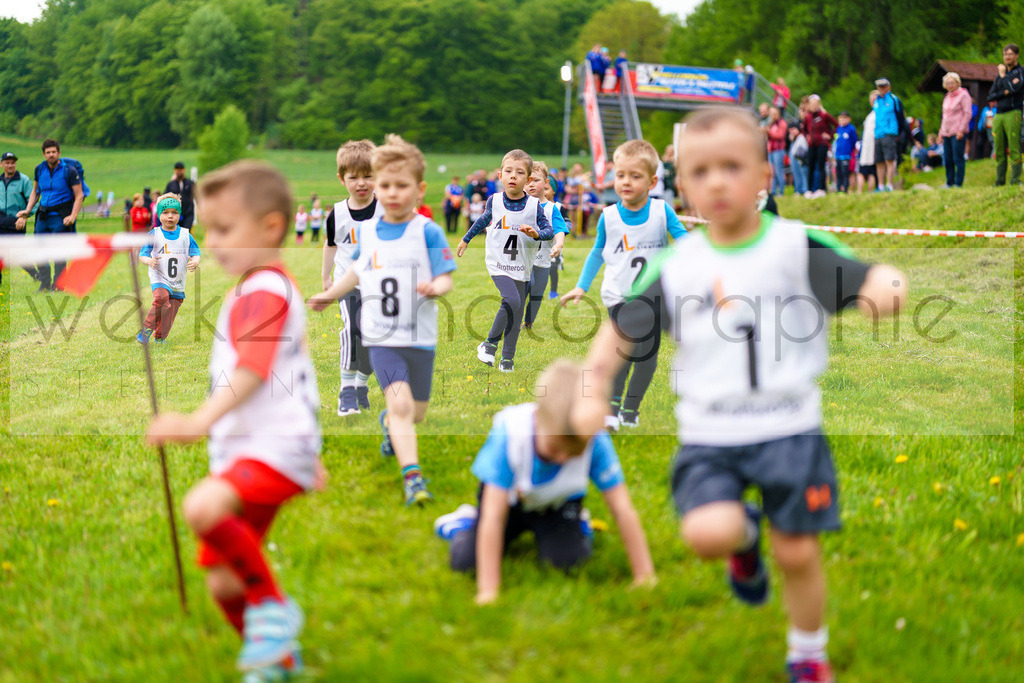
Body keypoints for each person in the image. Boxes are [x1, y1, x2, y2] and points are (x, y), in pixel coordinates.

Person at [579, 106, 907, 683]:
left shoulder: (793, 246)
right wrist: (592, 387)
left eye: (732, 166)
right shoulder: (677, 266)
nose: (717, 181)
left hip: (789, 428)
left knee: (798, 554)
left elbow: (864, 278)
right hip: (711, 434)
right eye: (701, 171)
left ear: (763, 176)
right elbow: (621, 331)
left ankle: (808, 654)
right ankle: (744, 537)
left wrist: (885, 288)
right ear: (682, 187)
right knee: (707, 533)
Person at [145, 161, 322, 679]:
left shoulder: (264, 291)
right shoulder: (263, 286)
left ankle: (273, 607)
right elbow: (298, 373)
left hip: (269, 448)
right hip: (263, 448)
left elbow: (253, 370)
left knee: (202, 506)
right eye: (208, 230)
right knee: (222, 582)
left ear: (269, 227)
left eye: (224, 229)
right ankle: (276, 660)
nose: (212, 241)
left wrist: (196, 422)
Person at [309, 135, 456, 506]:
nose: (391, 193)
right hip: (382, 338)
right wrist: (329, 293)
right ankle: (413, 478)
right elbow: (356, 270)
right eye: (385, 184)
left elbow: (447, 275)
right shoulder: (370, 231)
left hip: (420, 338)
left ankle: (392, 426)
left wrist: (436, 287)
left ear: (419, 190)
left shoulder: (429, 232)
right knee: (401, 405)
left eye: (400, 185)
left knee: (415, 412)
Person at [437, 359, 656, 603]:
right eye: (554, 449)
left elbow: (622, 508)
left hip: (558, 505)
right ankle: (465, 521)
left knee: (567, 563)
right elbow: (494, 518)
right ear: (538, 418)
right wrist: (489, 592)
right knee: (466, 562)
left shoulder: (594, 439)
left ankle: (577, 523)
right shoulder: (510, 435)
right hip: (509, 505)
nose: (562, 459)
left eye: (573, 453)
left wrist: (644, 575)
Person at [560, 139, 687, 430]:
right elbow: (597, 252)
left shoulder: (661, 211)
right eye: (620, 175)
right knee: (623, 352)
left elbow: (684, 240)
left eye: (635, 176)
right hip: (619, 296)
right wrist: (581, 286)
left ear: (653, 181)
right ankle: (612, 409)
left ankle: (631, 409)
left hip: (654, 299)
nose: (626, 182)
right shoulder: (608, 216)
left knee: (646, 357)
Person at [457, 149, 553, 373]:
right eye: (508, 171)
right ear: (500, 175)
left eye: (519, 173)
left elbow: (548, 230)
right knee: (512, 300)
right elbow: (483, 220)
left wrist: (537, 234)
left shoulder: (534, 206)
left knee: (516, 313)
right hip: (498, 262)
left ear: (528, 179)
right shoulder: (495, 201)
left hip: (522, 265)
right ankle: (489, 344)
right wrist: (466, 239)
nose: (513, 176)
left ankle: (507, 360)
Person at [321, 139, 383, 418]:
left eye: (368, 176)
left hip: (381, 285)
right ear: (341, 179)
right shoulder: (338, 212)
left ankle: (361, 385)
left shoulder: (387, 209)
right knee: (353, 331)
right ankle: (346, 392)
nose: (361, 183)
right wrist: (326, 278)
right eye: (353, 177)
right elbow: (331, 244)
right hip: (348, 283)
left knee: (376, 339)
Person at [18, 139, 84, 291]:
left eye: (54, 152)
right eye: (48, 152)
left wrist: (73, 216)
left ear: (59, 153)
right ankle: (45, 283)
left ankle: (59, 285)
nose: (51, 155)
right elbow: (35, 192)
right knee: (38, 249)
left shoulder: (69, 171)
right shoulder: (39, 169)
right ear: (43, 154)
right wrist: (27, 211)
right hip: (43, 216)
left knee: (58, 251)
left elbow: (79, 195)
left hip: (62, 216)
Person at [136, 195, 201, 344]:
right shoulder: (154, 234)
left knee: (171, 311)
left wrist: (195, 261)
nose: (170, 216)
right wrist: (150, 260)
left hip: (177, 280)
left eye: (174, 212)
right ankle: (146, 329)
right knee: (161, 299)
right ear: (159, 214)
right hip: (159, 277)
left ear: (179, 214)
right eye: (165, 212)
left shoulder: (185, 235)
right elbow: (142, 255)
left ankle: (160, 337)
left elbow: (196, 252)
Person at [522, 162, 569, 330]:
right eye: (527, 180)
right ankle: (514, 319)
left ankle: (528, 323)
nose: (531, 184)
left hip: (542, 259)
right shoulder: (519, 205)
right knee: (524, 287)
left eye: (536, 180)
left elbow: (559, 228)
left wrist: (559, 244)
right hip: (521, 259)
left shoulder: (551, 208)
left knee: (537, 293)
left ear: (546, 182)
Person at [0, 151, 40, 286]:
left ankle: (37, 276)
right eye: (7, 163)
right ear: (1, 164)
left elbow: (34, 200)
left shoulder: (24, 180)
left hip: (16, 223)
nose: (10, 165)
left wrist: (25, 216)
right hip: (1, 221)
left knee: (18, 256)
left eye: (13, 162)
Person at [987, 43, 1023, 186]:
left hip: (1013, 112)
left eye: (1010, 54)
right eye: (1005, 54)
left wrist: (1003, 76)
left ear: (1016, 55)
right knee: (999, 149)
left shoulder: (1020, 72)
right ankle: (999, 181)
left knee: (1014, 147)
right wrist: (1005, 92)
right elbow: (990, 97)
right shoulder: (1000, 76)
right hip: (999, 115)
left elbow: (1014, 89)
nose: (1007, 57)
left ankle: (1015, 180)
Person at [872, 78, 908, 192]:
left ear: (888, 87)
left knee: (889, 160)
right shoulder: (876, 102)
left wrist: (898, 132)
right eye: (880, 86)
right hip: (878, 134)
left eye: (884, 86)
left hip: (890, 133)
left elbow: (901, 117)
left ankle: (890, 185)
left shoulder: (894, 99)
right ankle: (881, 186)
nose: (882, 89)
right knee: (879, 161)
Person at [937, 72, 973, 188]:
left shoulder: (963, 95)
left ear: (958, 83)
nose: (950, 85)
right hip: (946, 132)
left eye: (952, 83)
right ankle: (949, 182)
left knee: (957, 158)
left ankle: (958, 183)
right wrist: (940, 133)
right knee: (947, 159)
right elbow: (944, 116)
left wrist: (961, 130)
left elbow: (968, 113)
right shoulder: (947, 97)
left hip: (957, 132)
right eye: (948, 83)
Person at [802, 96, 836, 196]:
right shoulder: (807, 117)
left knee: (821, 167)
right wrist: (806, 136)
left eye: (815, 104)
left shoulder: (824, 115)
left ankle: (822, 189)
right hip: (811, 145)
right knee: (810, 167)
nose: (813, 106)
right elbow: (803, 129)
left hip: (822, 144)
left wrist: (829, 136)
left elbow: (836, 125)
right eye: (811, 104)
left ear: (818, 104)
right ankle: (809, 190)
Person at [857, 91, 879, 193]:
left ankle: (877, 187)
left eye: (874, 99)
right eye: (871, 100)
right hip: (866, 147)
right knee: (866, 170)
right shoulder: (871, 114)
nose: (872, 102)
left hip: (875, 145)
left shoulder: (879, 113)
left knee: (873, 169)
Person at [163, 161, 196, 229]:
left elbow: (197, 196)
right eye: (177, 170)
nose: (179, 171)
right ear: (174, 170)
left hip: (188, 212)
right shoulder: (171, 184)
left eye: (181, 170)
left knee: (186, 231)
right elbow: (165, 197)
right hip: (175, 212)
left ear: (184, 170)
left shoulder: (190, 183)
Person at [833, 112, 858, 193]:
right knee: (838, 173)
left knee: (846, 173)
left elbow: (854, 141)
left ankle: (845, 189)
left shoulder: (851, 129)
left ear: (849, 119)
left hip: (847, 155)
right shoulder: (838, 129)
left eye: (844, 118)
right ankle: (838, 189)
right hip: (838, 155)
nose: (842, 120)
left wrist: (851, 152)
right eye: (841, 118)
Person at [766, 107, 789, 196]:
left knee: (779, 170)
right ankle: (773, 191)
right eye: (771, 113)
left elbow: (780, 136)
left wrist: (769, 132)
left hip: (778, 149)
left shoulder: (782, 123)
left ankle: (781, 190)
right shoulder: (771, 123)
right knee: (772, 172)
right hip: (771, 149)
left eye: (773, 113)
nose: (772, 115)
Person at [788, 126, 809, 196]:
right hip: (795, 159)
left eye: (794, 129)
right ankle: (798, 189)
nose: (792, 132)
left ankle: (804, 189)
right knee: (796, 173)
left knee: (803, 174)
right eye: (791, 130)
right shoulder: (794, 139)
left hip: (801, 159)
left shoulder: (801, 137)